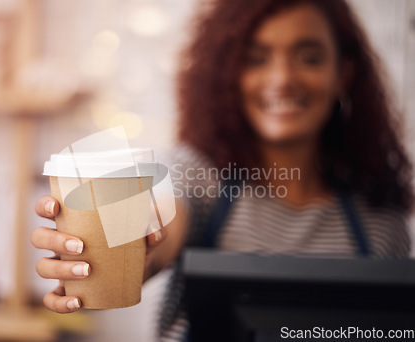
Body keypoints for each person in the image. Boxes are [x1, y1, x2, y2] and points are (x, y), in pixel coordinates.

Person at [31, 0, 414, 340]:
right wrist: (116, 251)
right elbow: (162, 215)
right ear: (228, 75)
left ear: (343, 74)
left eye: (309, 57)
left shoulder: (381, 222)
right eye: (256, 58)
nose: (282, 79)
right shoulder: (202, 179)